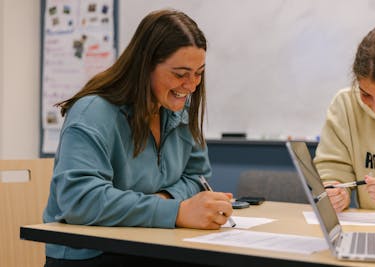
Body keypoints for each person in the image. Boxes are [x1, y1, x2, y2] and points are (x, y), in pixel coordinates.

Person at [43, 8, 233, 266]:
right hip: (91, 252)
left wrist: (164, 200)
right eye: (180, 74)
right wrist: (176, 210)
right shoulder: (93, 112)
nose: (191, 85)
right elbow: (81, 201)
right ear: (145, 66)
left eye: (199, 72)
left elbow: (197, 178)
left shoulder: (180, 109)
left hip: (151, 243)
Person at [314, 25, 375, 215]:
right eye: (366, 94)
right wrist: (335, 190)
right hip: (369, 230)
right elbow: (332, 167)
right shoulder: (346, 104)